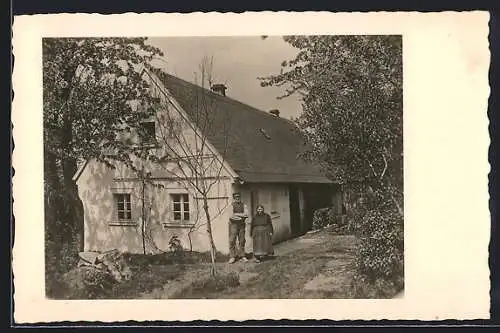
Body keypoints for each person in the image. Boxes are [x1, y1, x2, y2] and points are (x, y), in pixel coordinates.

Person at [228, 192, 249, 263]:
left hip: (242, 225)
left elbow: (246, 214)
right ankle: (232, 256)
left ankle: (242, 256)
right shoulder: (231, 205)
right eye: (236, 197)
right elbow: (231, 216)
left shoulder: (244, 205)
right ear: (234, 198)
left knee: (242, 240)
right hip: (233, 225)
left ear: (240, 197)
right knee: (232, 240)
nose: (237, 198)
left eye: (238, 196)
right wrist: (241, 217)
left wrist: (236, 214)